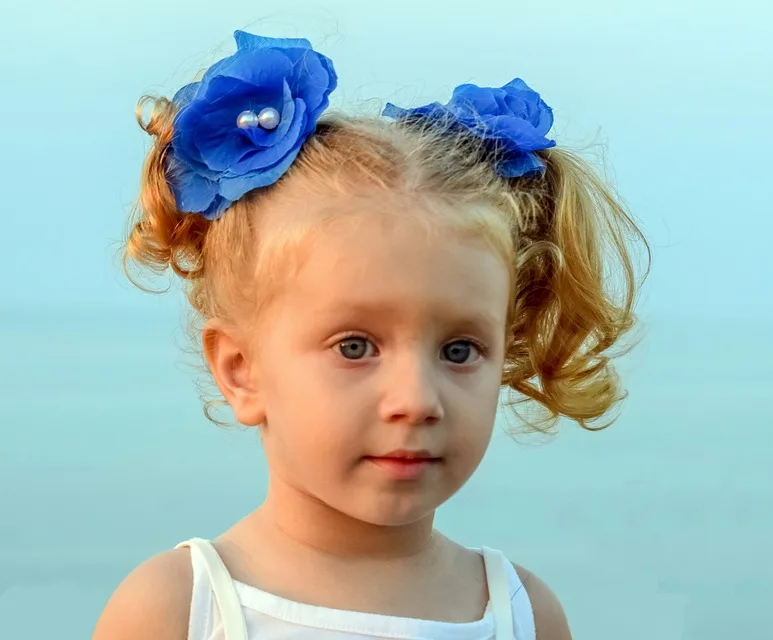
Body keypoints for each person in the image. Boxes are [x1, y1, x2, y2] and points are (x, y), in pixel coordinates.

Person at [92, 29, 647, 640]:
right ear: (241, 369)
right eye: (354, 347)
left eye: (459, 350)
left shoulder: (521, 615)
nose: (416, 400)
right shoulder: (182, 610)